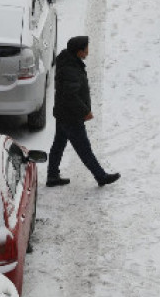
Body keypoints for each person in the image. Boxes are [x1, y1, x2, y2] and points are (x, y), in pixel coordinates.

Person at [46, 36, 120, 187]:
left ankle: (52, 176)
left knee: (58, 144)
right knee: (84, 148)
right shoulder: (70, 69)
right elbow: (70, 95)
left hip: (63, 113)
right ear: (79, 51)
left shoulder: (69, 61)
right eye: (86, 48)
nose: (88, 51)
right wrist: (85, 111)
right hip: (70, 116)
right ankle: (101, 176)